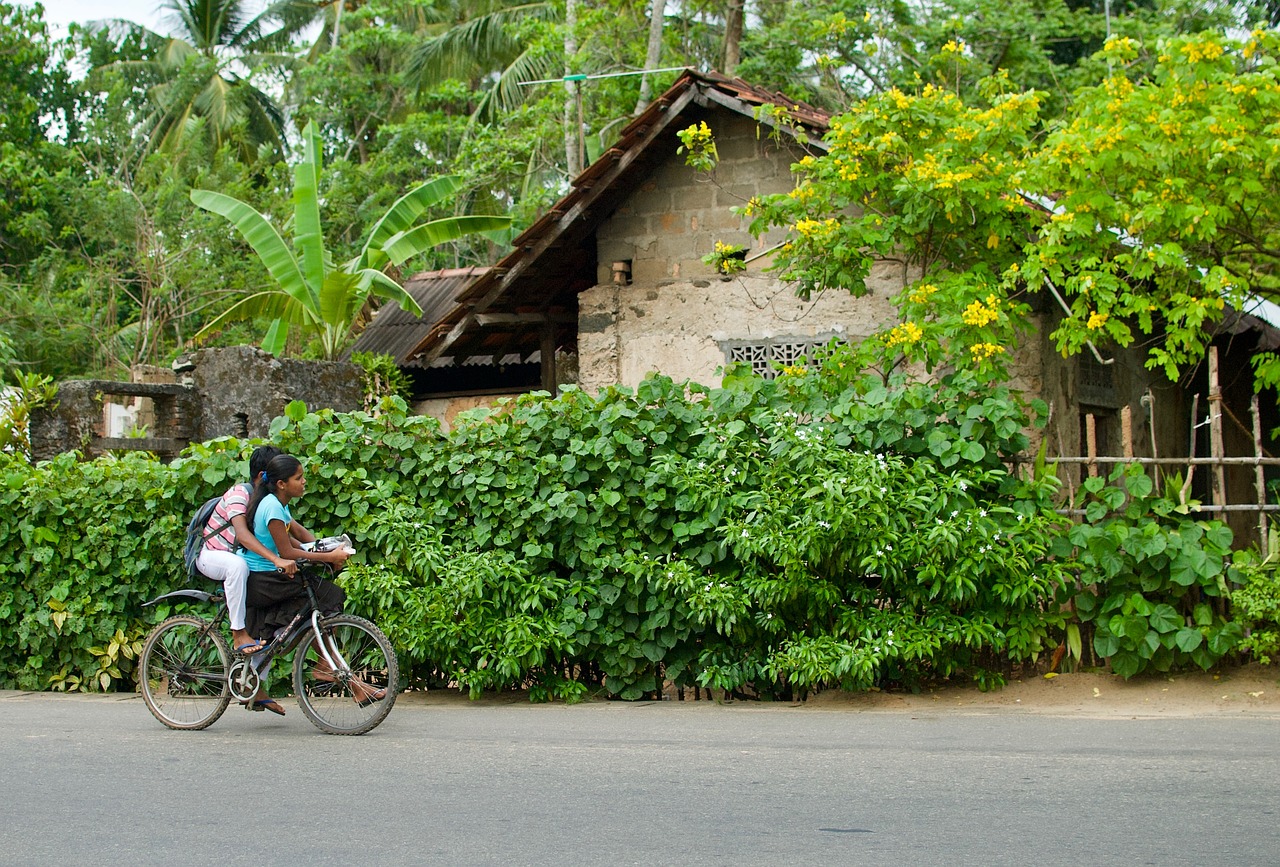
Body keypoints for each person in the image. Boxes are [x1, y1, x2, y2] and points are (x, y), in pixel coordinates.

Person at [240, 454, 382, 714]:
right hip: (263, 580)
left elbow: (296, 543)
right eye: (299, 478)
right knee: (327, 595)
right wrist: (328, 557)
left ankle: (334, 670)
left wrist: (326, 553)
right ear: (282, 483)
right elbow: (288, 553)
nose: (304, 482)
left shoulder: (280, 504)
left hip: (275, 576)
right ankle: (324, 666)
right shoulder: (272, 508)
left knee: (321, 600)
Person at [194, 445, 296, 657]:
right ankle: (238, 633)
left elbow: (292, 531)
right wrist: (276, 560)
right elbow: (242, 535)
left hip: (242, 557)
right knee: (237, 566)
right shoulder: (239, 494)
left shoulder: (270, 501)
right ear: (263, 476)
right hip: (213, 554)